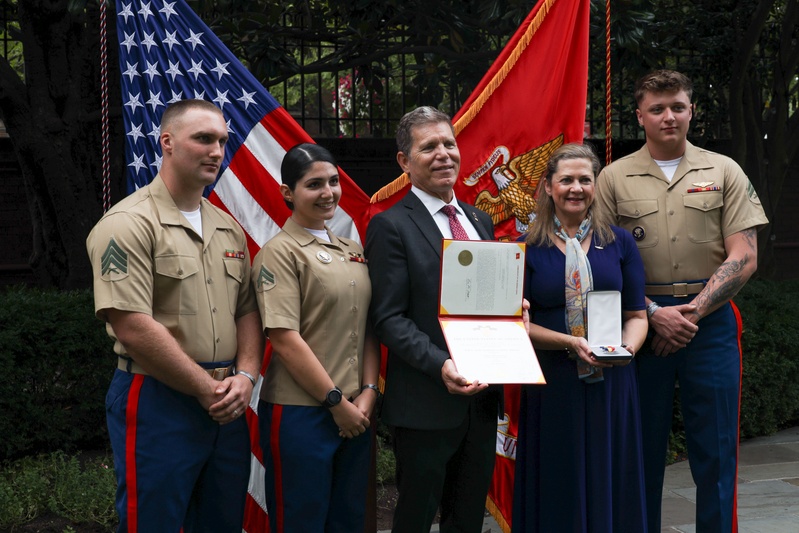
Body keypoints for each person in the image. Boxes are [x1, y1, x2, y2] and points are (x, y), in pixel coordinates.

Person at [595, 69, 769, 533]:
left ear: (691, 110)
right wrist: (654, 315)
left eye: (677, 106)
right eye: (657, 108)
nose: (668, 116)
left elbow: (745, 256)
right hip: (639, 323)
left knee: (716, 452)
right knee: (640, 451)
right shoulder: (612, 179)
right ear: (640, 116)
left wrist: (690, 314)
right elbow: (601, 263)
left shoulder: (724, 170)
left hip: (708, 325)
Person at [86, 99, 262, 532]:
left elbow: (247, 310)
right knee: (154, 521)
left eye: (222, 140)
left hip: (226, 400)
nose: (217, 151)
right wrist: (205, 388)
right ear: (166, 142)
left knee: (221, 521)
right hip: (158, 400)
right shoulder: (127, 223)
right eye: (203, 138)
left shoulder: (226, 226)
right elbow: (132, 325)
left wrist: (245, 376)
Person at [365, 106, 502, 533]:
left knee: (466, 521)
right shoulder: (390, 226)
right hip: (425, 404)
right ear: (405, 162)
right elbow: (389, 319)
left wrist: (513, 313)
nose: (443, 154)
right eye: (429, 147)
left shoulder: (479, 219)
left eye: (449, 143)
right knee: (415, 520)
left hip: (479, 403)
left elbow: (485, 301)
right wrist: (441, 363)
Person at [511, 143, 649, 532]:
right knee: (559, 474)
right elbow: (518, 324)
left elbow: (637, 316)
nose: (576, 188)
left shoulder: (619, 242)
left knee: (612, 472)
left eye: (584, 179)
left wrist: (624, 350)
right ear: (548, 187)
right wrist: (571, 344)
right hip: (554, 381)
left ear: (595, 186)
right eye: (566, 180)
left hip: (613, 379)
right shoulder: (526, 247)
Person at [251, 143, 380, 532]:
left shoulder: (352, 250)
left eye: (334, 182)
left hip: (357, 410)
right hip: (302, 413)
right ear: (288, 193)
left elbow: (368, 327)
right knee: (301, 522)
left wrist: (370, 390)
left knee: (348, 520)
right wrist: (335, 401)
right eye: (314, 184)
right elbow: (284, 338)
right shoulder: (279, 253)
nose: (328, 193)